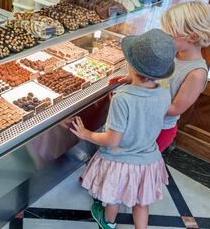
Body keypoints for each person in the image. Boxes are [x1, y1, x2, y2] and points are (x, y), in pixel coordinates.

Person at [71, 29, 176, 229]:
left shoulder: (122, 98)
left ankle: (108, 222)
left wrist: (86, 134)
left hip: (121, 161)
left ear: (131, 65)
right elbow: (147, 113)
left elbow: (112, 140)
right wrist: (133, 82)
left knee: (114, 197)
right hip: (148, 159)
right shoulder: (164, 94)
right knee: (142, 201)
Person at [109, 1, 210, 152]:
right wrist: (132, 79)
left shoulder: (196, 73)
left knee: (138, 163)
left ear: (192, 37)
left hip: (159, 129)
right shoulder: (172, 53)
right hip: (141, 121)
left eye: (169, 34)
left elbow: (174, 109)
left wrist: (136, 101)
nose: (165, 38)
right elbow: (156, 78)